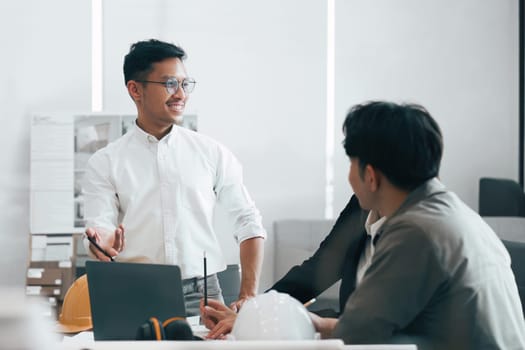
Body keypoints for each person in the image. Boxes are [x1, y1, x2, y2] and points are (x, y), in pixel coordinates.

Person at [204, 101, 525, 349]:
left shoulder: (415, 233)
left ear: (370, 176)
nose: (348, 176)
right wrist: (258, 316)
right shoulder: (451, 213)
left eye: (350, 165)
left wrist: (271, 324)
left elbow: (357, 336)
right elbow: (332, 286)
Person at [82, 39, 266, 316]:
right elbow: (99, 227)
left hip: (204, 295)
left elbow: (248, 220)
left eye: (185, 84)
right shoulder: (105, 162)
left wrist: (248, 294)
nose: (180, 94)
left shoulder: (211, 153)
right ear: (135, 90)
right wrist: (101, 244)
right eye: (169, 84)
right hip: (133, 292)